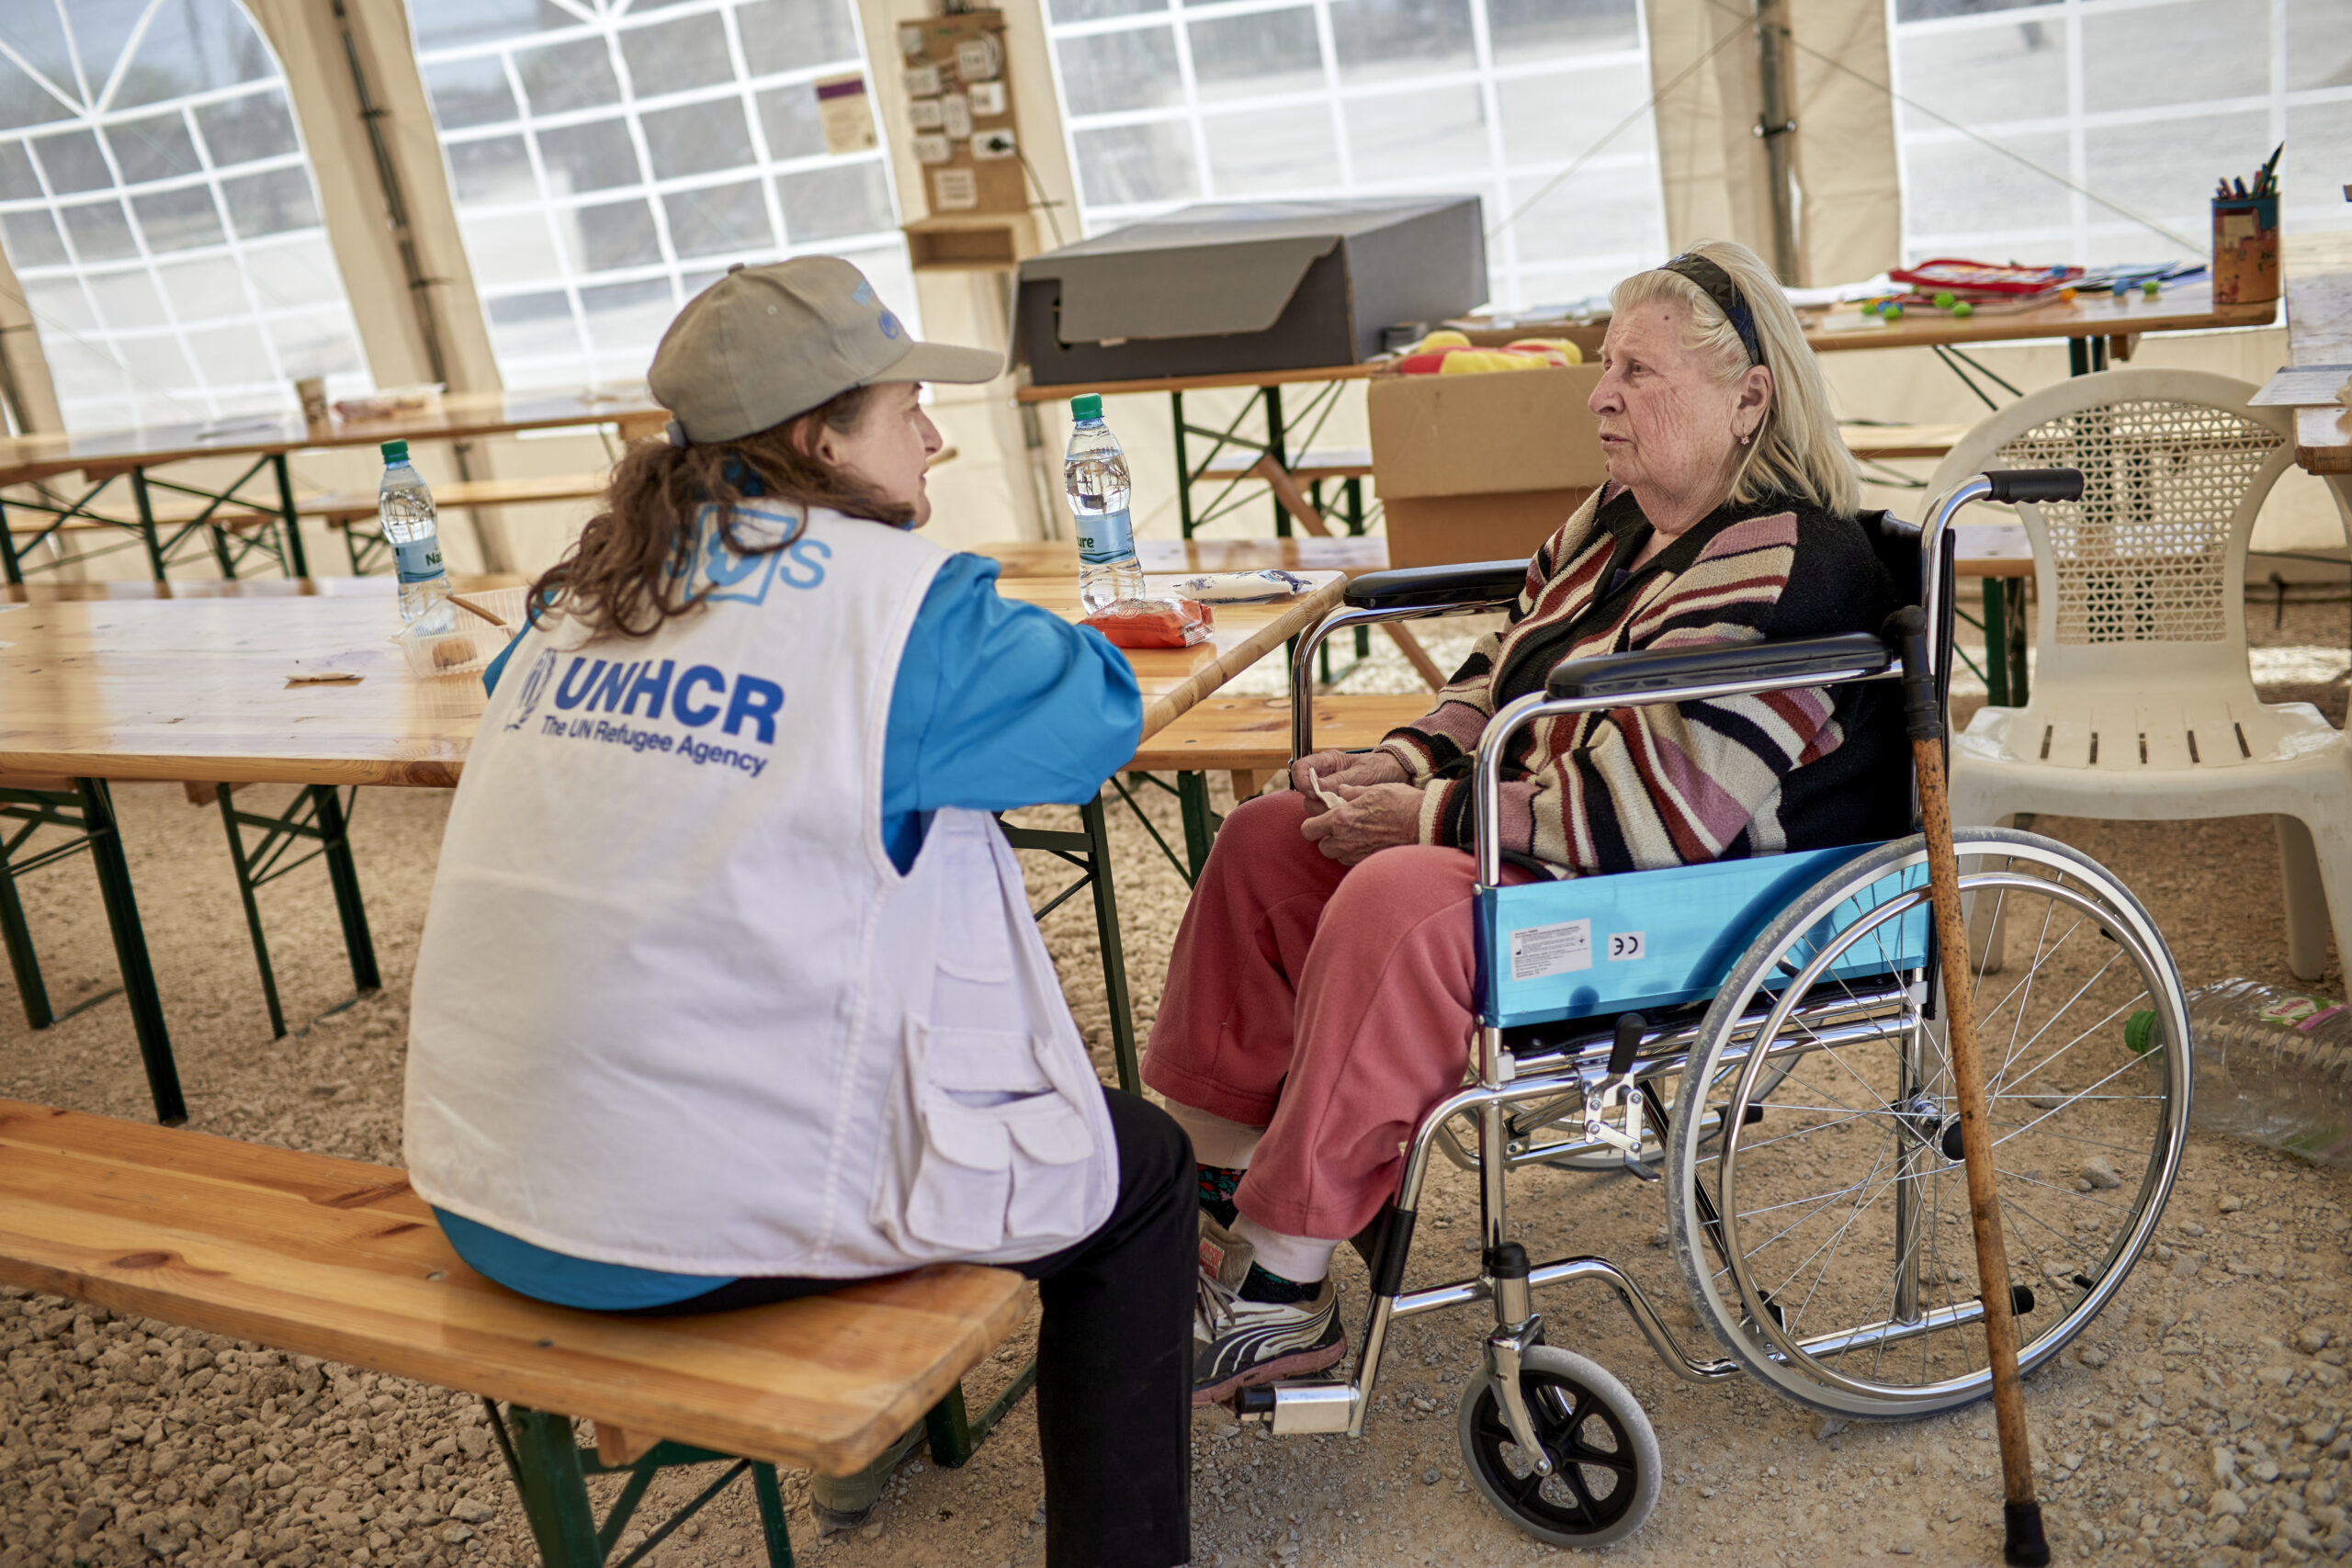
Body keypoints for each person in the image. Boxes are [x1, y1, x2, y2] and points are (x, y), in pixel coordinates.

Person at [401, 257, 1193, 1568]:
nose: (936, 432)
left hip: (483, 1178)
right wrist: (926, 578)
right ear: (823, 439)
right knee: (1144, 1172)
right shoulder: (898, 612)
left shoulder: (577, 595)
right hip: (672, 1222)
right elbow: (1091, 718)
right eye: (906, 409)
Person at [1145, 239, 1911, 1404]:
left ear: (1749, 397)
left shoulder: (1792, 563)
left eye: (1638, 373)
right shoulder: (1622, 516)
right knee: (1268, 840)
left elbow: (1656, 814)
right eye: (1606, 364)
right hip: (1554, 843)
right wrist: (1396, 763)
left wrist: (1429, 819)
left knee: (1400, 904)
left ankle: (1284, 1284)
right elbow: (1502, 666)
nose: (1599, 393)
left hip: (1690, 895)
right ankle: (1216, 1190)